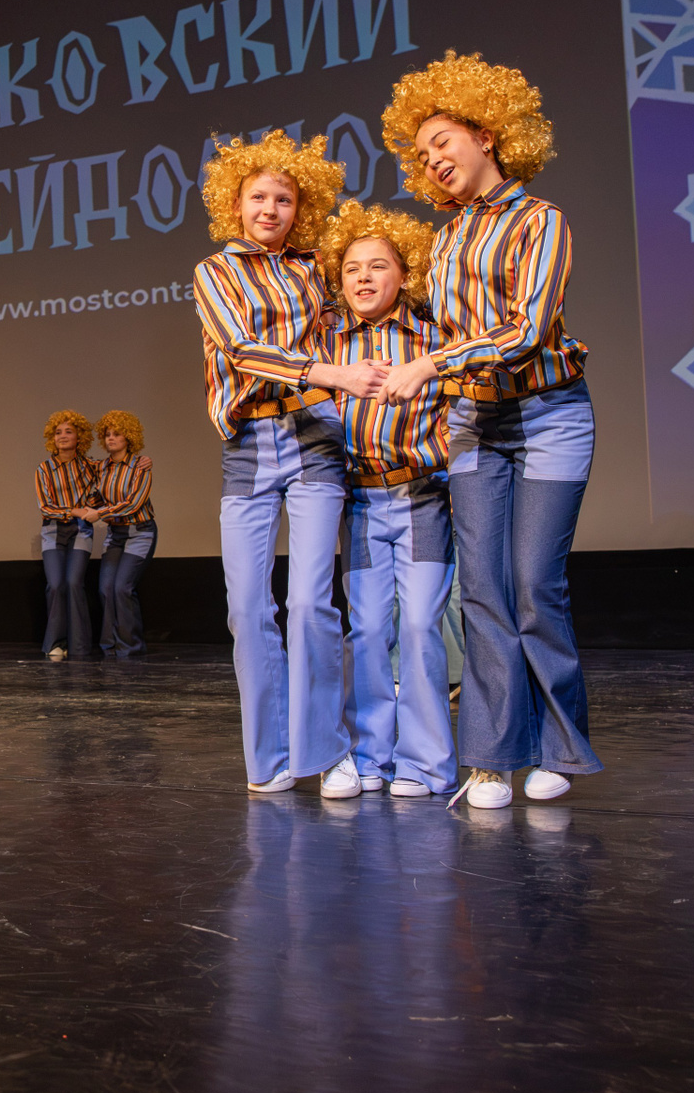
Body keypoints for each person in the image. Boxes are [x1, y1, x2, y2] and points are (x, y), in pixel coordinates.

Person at [379, 51, 598, 810]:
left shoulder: (543, 221)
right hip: (475, 421)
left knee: (535, 584)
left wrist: (432, 364)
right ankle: (492, 757)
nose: (432, 160)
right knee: (481, 592)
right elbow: (437, 333)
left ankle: (557, 749)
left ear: (489, 134)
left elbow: (528, 330)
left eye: (442, 142)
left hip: (548, 414)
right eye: (420, 155)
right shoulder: (443, 242)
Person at [192, 131, 385, 798]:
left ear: (299, 208)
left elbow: (358, 317)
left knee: (308, 602)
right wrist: (334, 373)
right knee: (248, 610)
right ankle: (268, 760)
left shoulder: (317, 269)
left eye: (283, 199)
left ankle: (328, 753)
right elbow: (241, 349)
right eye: (258, 197)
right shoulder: (214, 271)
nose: (270, 209)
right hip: (249, 443)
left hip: (314, 436)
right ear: (234, 204)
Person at [318, 200, 458, 799]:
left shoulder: (433, 339)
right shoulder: (326, 346)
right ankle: (370, 757)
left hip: (422, 498)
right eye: (352, 268)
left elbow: (460, 414)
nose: (364, 278)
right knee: (369, 629)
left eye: (378, 265)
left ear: (405, 273)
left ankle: (425, 763)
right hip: (360, 505)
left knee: (422, 625)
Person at [86, 410, 155, 658]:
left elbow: (133, 504)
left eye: (117, 434)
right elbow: (95, 497)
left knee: (122, 588)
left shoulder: (140, 465)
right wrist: (86, 506)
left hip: (139, 532)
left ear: (129, 437)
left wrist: (100, 513)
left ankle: (131, 648)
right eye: (108, 435)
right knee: (106, 589)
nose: (111, 438)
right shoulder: (102, 467)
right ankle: (111, 646)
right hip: (115, 534)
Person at [35, 409, 98, 662]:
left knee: (73, 583)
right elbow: (45, 507)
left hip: (80, 530)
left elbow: (103, 488)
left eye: (68, 431)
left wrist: (143, 461)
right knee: (55, 585)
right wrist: (74, 510)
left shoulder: (91, 466)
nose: (62, 436)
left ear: (79, 436)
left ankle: (79, 645)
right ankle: (56, 642)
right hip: (53, 531)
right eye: (58, 432)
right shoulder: (45, 468)